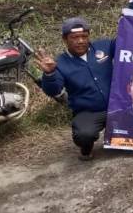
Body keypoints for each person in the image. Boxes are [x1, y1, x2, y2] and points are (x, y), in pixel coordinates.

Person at [34, 17, 114, 161]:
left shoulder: (105, 46)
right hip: (89, 112)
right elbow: (53, 90)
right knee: (84, 135)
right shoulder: (60, 63)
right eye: (75, 37)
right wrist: (49, 73)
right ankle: (86, 149)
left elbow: (128, 42)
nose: (81, 41)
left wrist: (129, 20)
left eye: (84, 36)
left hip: (117, 106)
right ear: (65, 39)